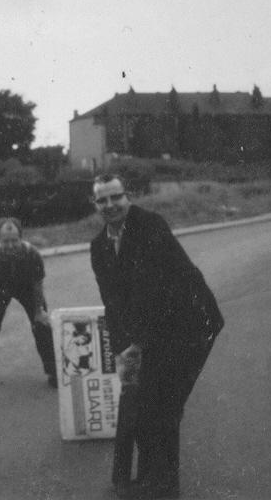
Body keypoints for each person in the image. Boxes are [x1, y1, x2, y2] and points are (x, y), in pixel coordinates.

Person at [89, 174, 224, 499]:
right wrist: (121, 349)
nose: (110, 205)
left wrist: (138, 345)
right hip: (157, 332)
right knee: (149, 405)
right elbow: (112, 302)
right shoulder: (99, 246)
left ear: (128, 196)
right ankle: (153, 481)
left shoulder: (150, 226)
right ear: (94, 204)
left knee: (162, 407)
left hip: (191, 324)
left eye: (115, 197)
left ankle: (163, 489)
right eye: (102, 200)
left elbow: (156, 293)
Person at [0, 216, 57, 388]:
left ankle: (54, 371)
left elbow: (37, 285)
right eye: (5, 241)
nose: (10, 245)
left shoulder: (33, 254)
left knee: (42, 325)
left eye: (14, 240)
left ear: (21, 238)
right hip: (1, 289)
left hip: (28, 288)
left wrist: (38, 311)